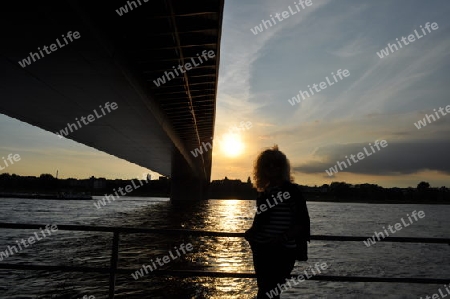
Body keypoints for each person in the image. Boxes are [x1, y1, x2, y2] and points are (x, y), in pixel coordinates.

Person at [245, 145, 310, 299]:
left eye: (276, 164)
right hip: (261, 248)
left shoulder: (292, 191)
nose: (272, 167)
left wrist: (282, 239)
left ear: (282, 167)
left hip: (283, 250)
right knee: (265, 289)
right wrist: (252, 235)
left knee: (271, 290)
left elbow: (301, 222)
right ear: (262, 168)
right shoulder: (264, 192)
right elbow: (261, 220)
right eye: (267, 164)